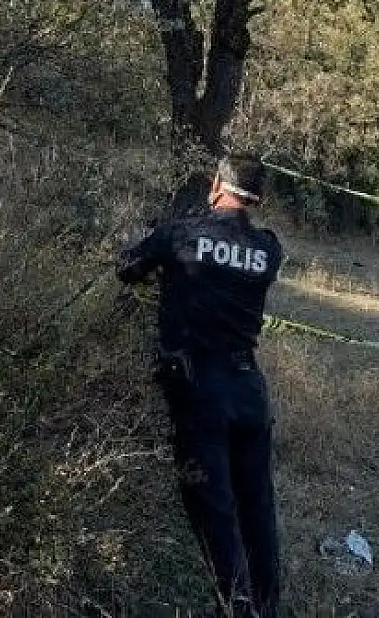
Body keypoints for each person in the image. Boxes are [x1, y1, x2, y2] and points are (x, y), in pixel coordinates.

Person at [117, 154, 285, 618]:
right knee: (256, 503)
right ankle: (266, 605)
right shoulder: (269, 249)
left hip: (199, 389)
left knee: (213, 508)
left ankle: (236, 605)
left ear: (217, 184)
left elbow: (128, 266)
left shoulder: (181, 234)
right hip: (249, 388)